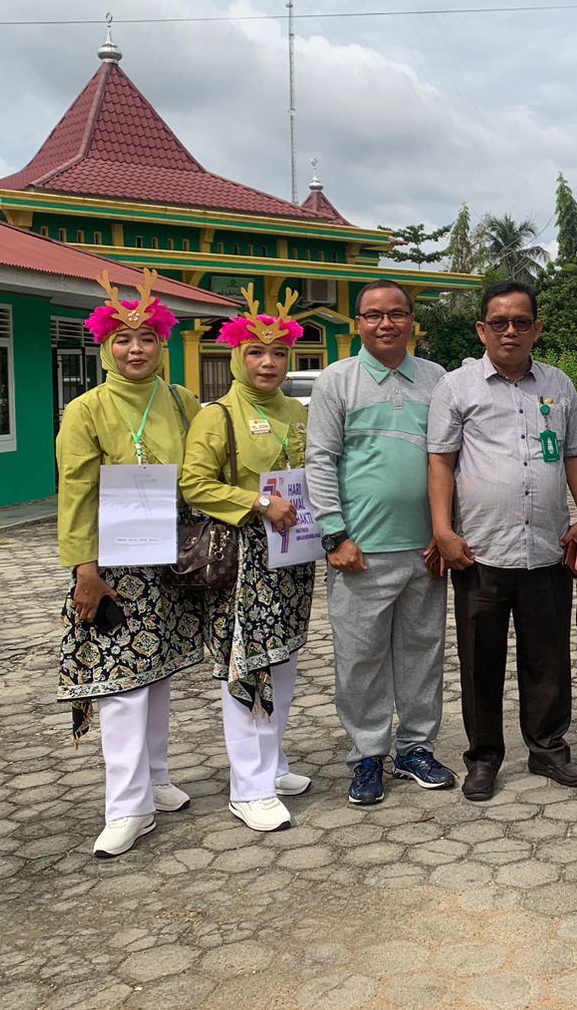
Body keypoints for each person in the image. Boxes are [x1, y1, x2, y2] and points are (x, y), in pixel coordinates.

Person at [427, 281, 577, 801]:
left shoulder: (559, 385)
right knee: (480, 662)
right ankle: (483, 758)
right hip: (480, 550)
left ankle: (548, 749)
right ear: (482, 329)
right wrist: (442, 529)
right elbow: (441, 460)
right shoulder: (457, 387)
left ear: (536, 329)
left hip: (547, 546)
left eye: (521, 321)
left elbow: (574, 454)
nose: (510, 330)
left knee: (548, 659)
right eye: (498, 321)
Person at [54, 273, 204, 858]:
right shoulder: (87, 409)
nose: (134, 349)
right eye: (121, 338)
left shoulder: (181, 401)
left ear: (162, 344)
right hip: (116, 564)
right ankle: (126, 805)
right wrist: (84, 569)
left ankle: (158, 777)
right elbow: (75, 492)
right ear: (103, 346)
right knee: (120, 684)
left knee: (159, 671)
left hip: (175, 555)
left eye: (145, 338)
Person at [305, 279, 454, 808]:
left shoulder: (438, 380)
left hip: (425, 550)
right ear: (358, 323)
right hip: (360, 553)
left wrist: (446, 530)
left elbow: (450, 459)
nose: (385, 323)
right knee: (360, 658)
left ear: (413, 320)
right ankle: (367, 754)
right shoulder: (336, 381)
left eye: (396, 314)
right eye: (373, 315)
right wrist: (334, 533)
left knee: (422, 653)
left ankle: (415, 748)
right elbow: (319, 459)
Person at [180, 289, 315, 833]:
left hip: (294, 553)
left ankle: (272, 763)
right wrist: (257, 502)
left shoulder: (296, 412)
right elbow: (194, 484)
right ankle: (248, 787)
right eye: (256, 353)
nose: (268, 363)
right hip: (244, 556)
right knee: (246, 664)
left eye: (278, 353)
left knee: (282, 661)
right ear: (237, 357)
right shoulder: (219, 416)